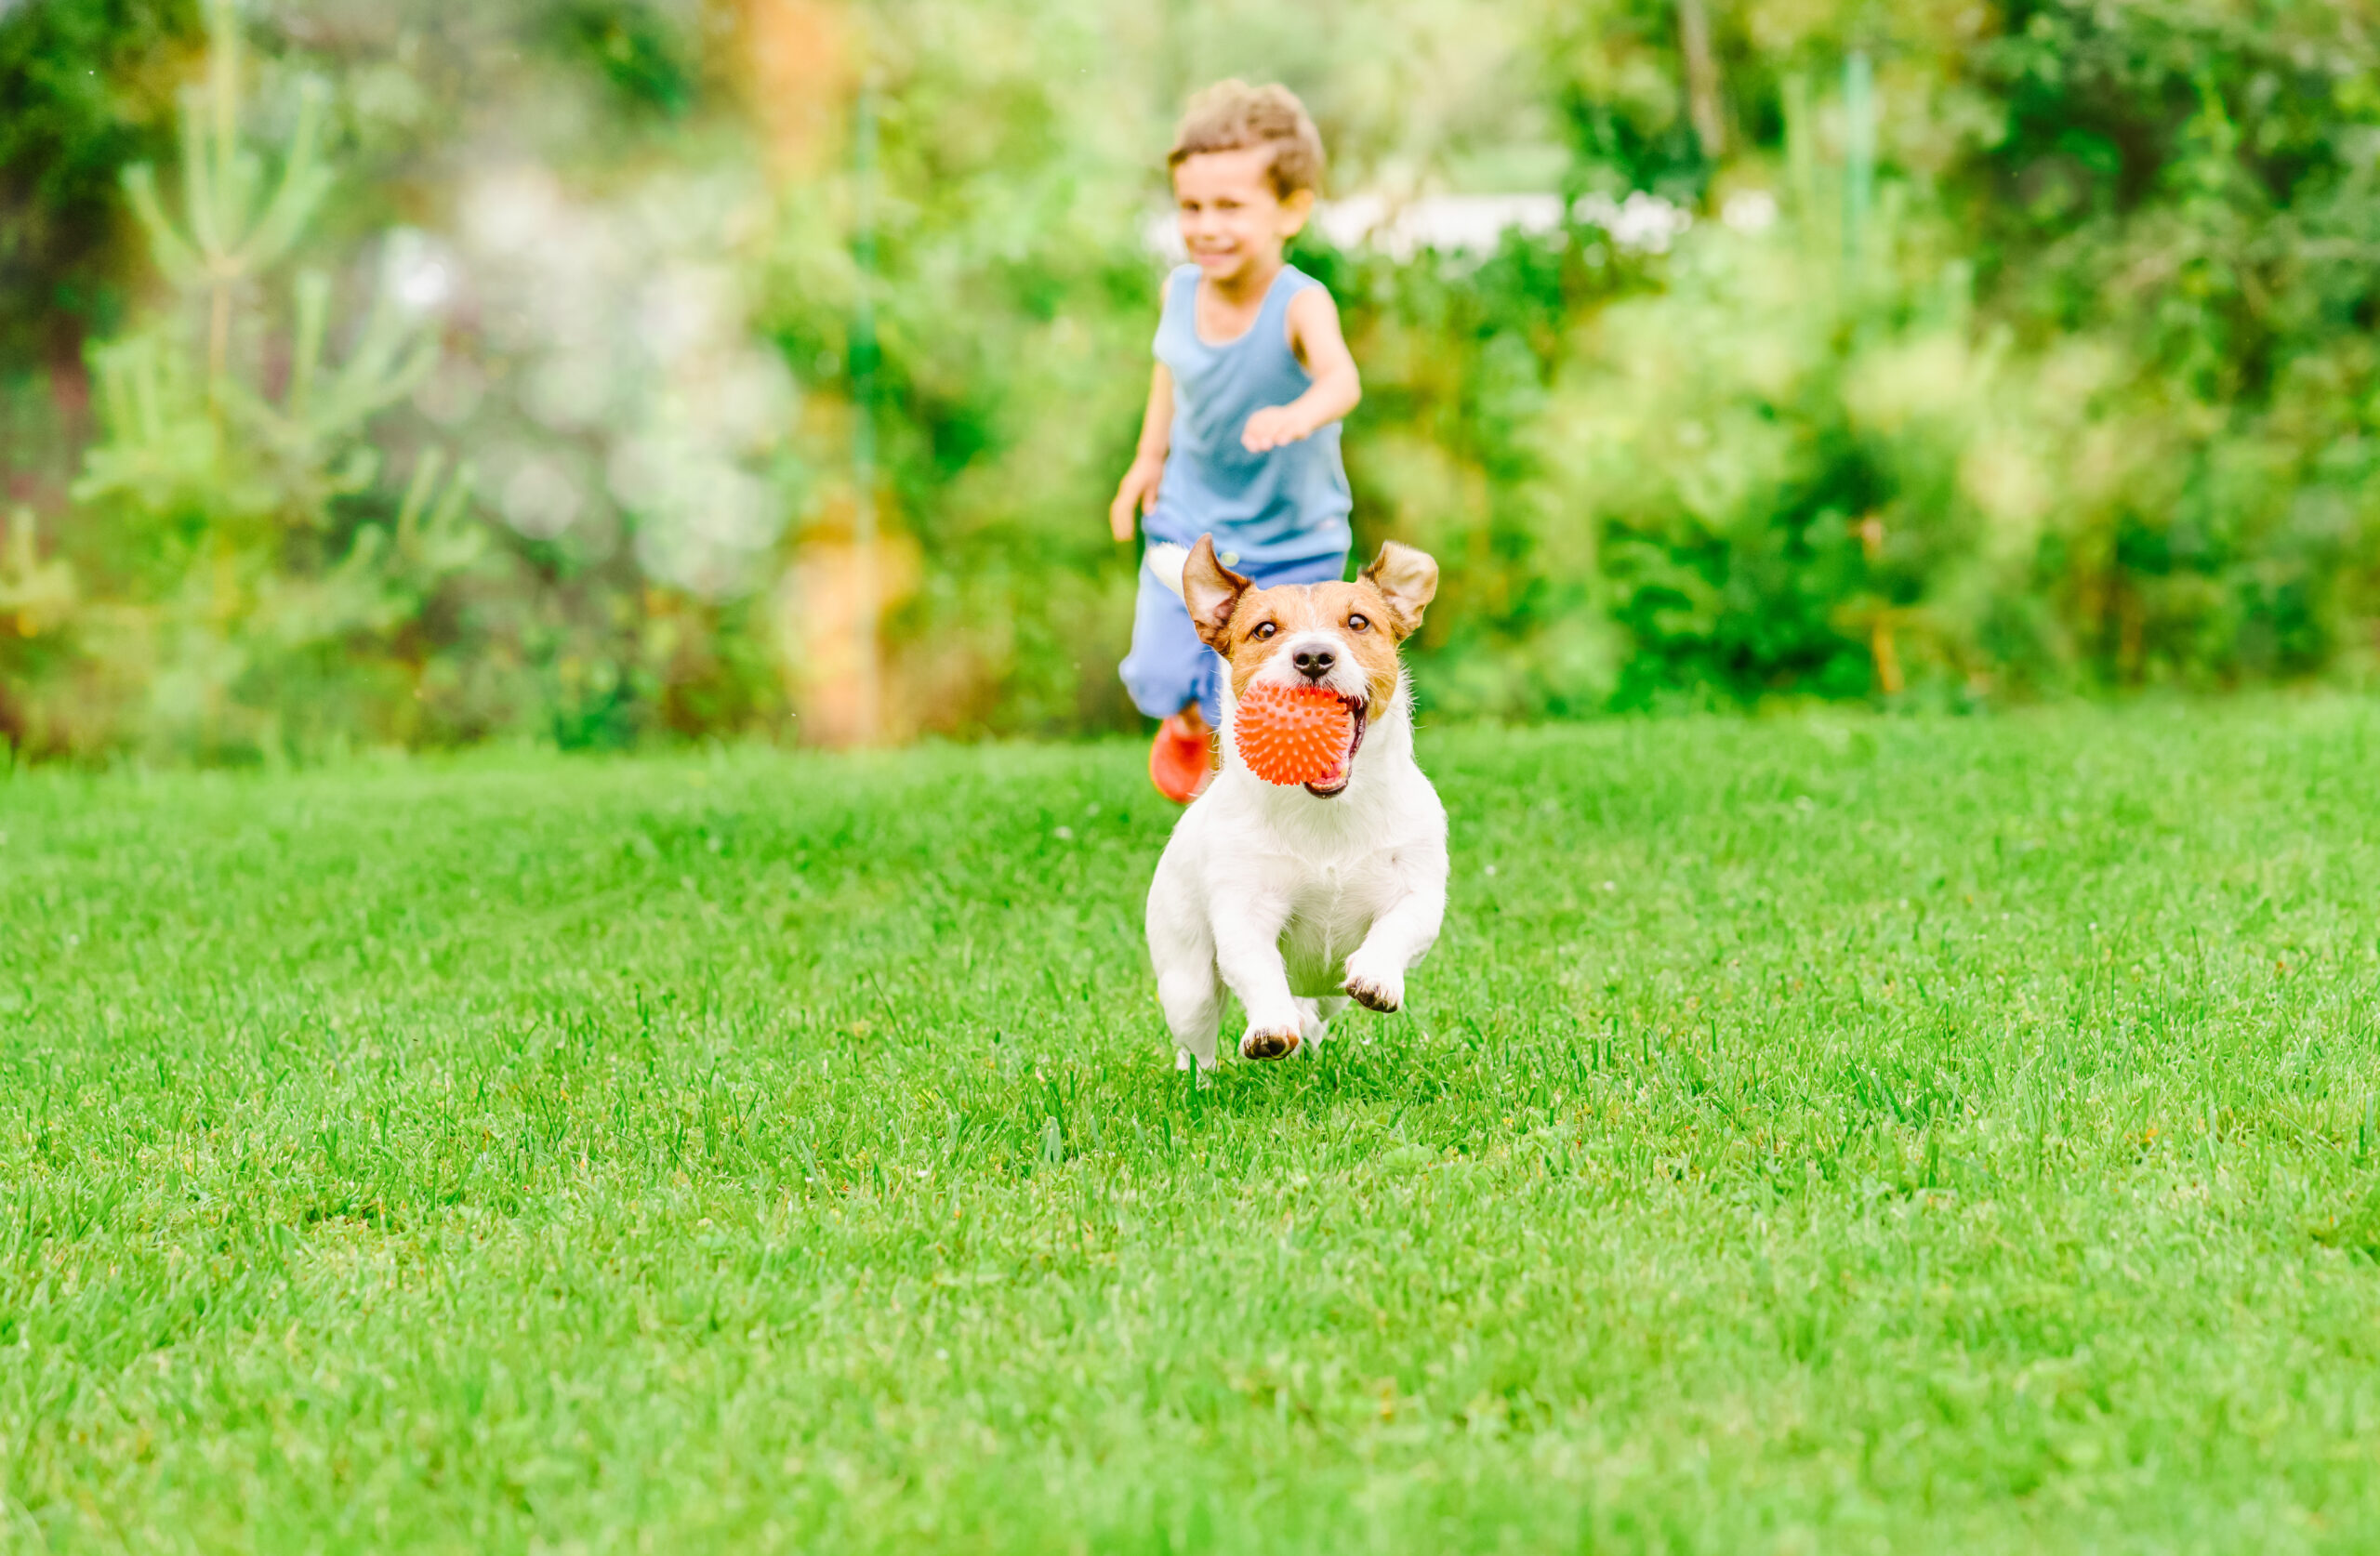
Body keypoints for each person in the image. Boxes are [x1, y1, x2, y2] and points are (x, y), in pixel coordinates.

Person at [1111, 79, 1361, 803]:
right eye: (1191, 206)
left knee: (1269, 698)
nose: (1206, 226)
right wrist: (1146, 461)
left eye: (1229, 207)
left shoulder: (1300, 302)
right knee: (1159, 675)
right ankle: (1186, 722)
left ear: (1291, 209)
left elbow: (1343, 381)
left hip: (1294, 539)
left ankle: (1249, 809)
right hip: (1192, 526)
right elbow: (1171, 372)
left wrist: (1302, 413)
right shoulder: (1179, 291)